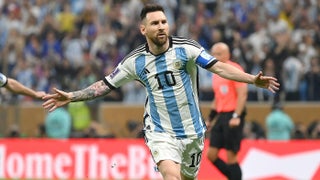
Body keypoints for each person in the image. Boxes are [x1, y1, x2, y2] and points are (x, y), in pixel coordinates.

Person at [42, 4, 279, 180]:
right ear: (143, 29)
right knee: (170, 175)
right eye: (155, 23)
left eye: (164, 22)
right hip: (160, 131)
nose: (161, 27)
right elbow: (105, 85)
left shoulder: (186, 48)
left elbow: (218, 67)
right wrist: (72, 96)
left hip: (193, 131)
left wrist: (251, 80)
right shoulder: (135, 62)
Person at [206, 42, 247, 180]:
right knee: (211, 155)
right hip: (221, 115)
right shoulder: (215, 72)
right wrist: (210, 119)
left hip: (233, 115)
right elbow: (217, 98)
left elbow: (242, 94)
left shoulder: (235, 69)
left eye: (219, 54)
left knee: (231, 156)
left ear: (227, 55)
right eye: (213, 53)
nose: (215, 56)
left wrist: (237, 116)